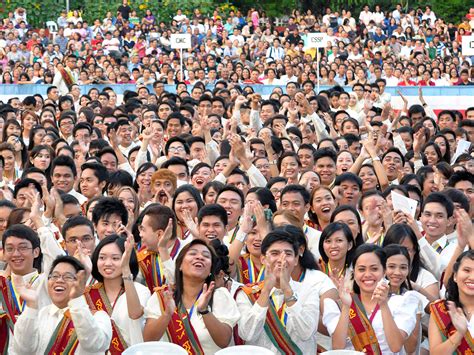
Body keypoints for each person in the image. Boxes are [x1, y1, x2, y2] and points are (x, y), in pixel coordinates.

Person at [143, 239, 240, 353]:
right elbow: (148, 340)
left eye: (206, 256)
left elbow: (224, 341)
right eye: (193, 253)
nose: (199, 257)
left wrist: (204, 311)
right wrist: (167, 314)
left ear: (210, 270)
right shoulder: (163, 296)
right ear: (180, 265)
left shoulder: (220, 296)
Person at [324, 244, 419, 354]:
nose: (368, 274)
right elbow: (337, 347)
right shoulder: (339, 305)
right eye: (361, 269)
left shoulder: (401, 303)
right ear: (354, 273)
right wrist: (346, 306)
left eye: (374, 269)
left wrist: (383, 305)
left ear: (384, 272)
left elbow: (396, 346)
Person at [11, 255, 112, 354]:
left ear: (80, 282)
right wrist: (31, 306)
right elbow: (22, 351)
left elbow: (95, 345)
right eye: (54, 276)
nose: (59, 280)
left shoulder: (98, 317)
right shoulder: (41, 314)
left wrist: (76, 300)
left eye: (67, 277)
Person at [85, 234, 151, 350]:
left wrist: (125, 269)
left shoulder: (140, 290)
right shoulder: (88, 294)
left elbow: (135, 314)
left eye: (115, 258)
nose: (107, 263)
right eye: (102, 258)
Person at [428, 250, 474, 354]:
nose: (472, 277)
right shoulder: (441, 309)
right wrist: (459, 333)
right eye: (467, 270)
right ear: (455, 276)